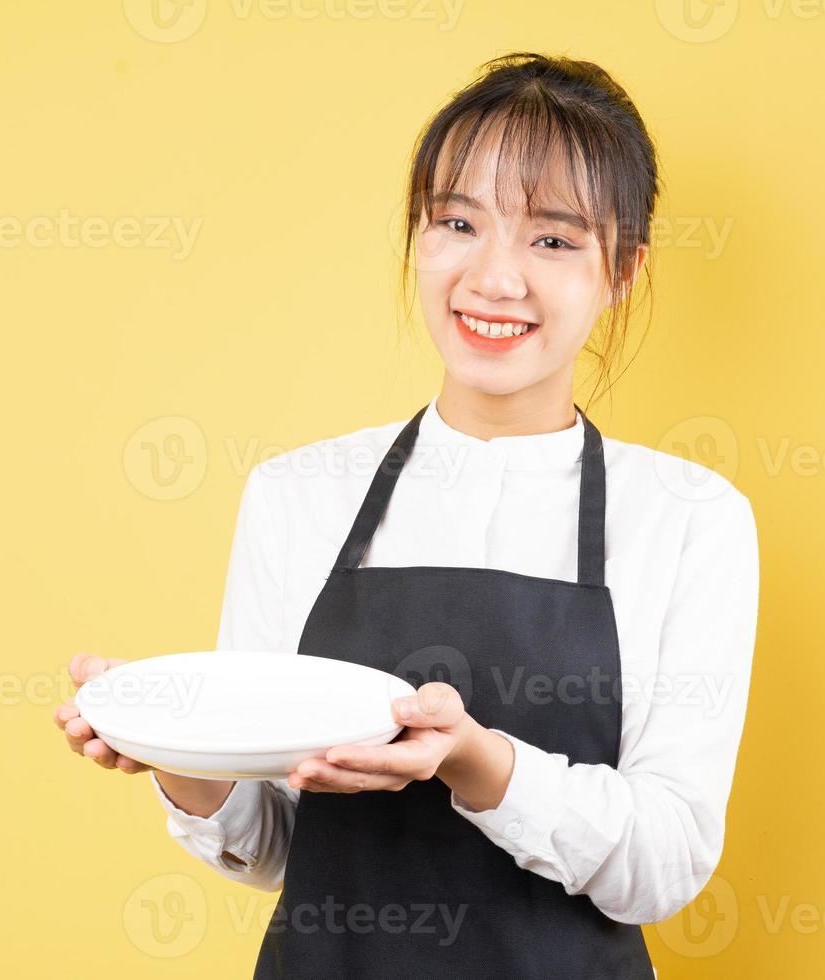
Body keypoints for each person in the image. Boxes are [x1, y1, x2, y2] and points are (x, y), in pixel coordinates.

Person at [54, 51, 758, 979]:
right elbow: (271, 846)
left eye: (552, 239)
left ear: (622, 270)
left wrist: (476, 762)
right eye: (458, 222)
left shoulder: (689, 518)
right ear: (417, 239)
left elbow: (662, 865)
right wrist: (172, 753)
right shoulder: (296, 493)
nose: (495, 278)